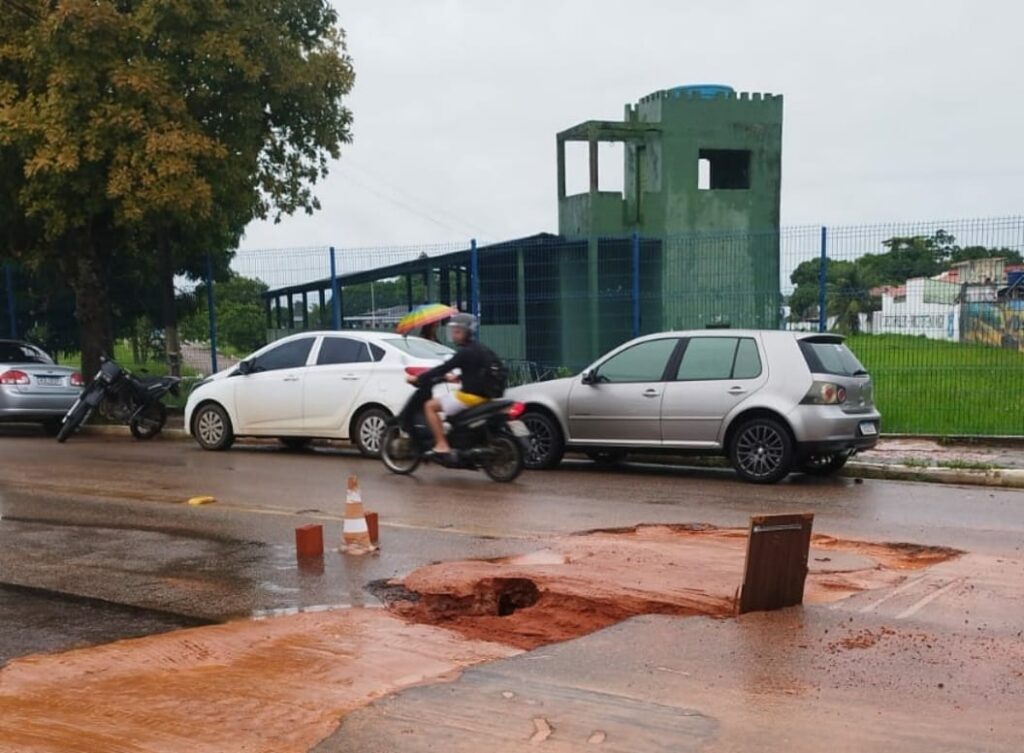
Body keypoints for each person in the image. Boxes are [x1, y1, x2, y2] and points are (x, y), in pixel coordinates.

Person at [407, 313, 501, 463]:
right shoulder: (480, 348)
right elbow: (477, 371)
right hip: (485, 394)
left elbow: (442, 368)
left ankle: (442, 444)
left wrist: (418, 378)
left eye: (457, 331)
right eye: (453, 331)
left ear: (466, 332)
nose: (454, 335)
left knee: (430, 406)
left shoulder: (464, 352)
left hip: (469, 396)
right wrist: (458, 378)